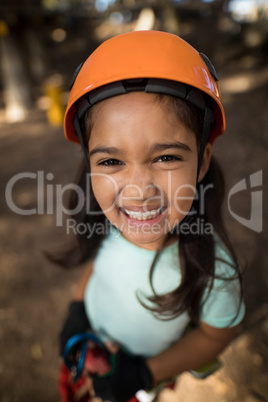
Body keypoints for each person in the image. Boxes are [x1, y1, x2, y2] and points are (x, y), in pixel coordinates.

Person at [56, 30, 245, 402]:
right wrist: (77, 309)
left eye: (166, 157)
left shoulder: (214, 270)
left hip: (136, 383)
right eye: (111, 161)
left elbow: (216, 335)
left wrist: (144, 373)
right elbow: (100, 264)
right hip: (87, 350)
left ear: (203, 160)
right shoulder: (112, 223)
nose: (139, 190)